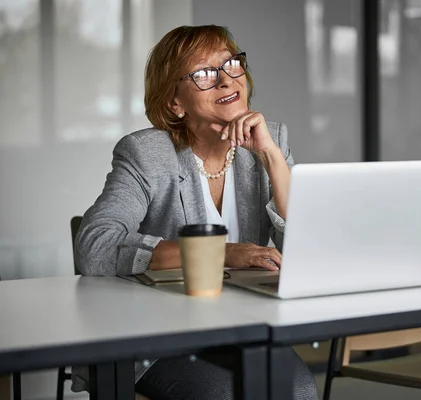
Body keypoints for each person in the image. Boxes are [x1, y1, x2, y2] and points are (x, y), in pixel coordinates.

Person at [73, 25, 318, 400]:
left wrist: (272, 158)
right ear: (175, 102)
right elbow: (95, 246)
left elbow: (305, 254)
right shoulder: (147, 154)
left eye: (231, 64)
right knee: (226, 395)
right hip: (158, 337)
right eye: (204, 73)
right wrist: (223, 252)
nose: (225, 80)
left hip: (245, 329)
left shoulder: (270, 140)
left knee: (299, 391)